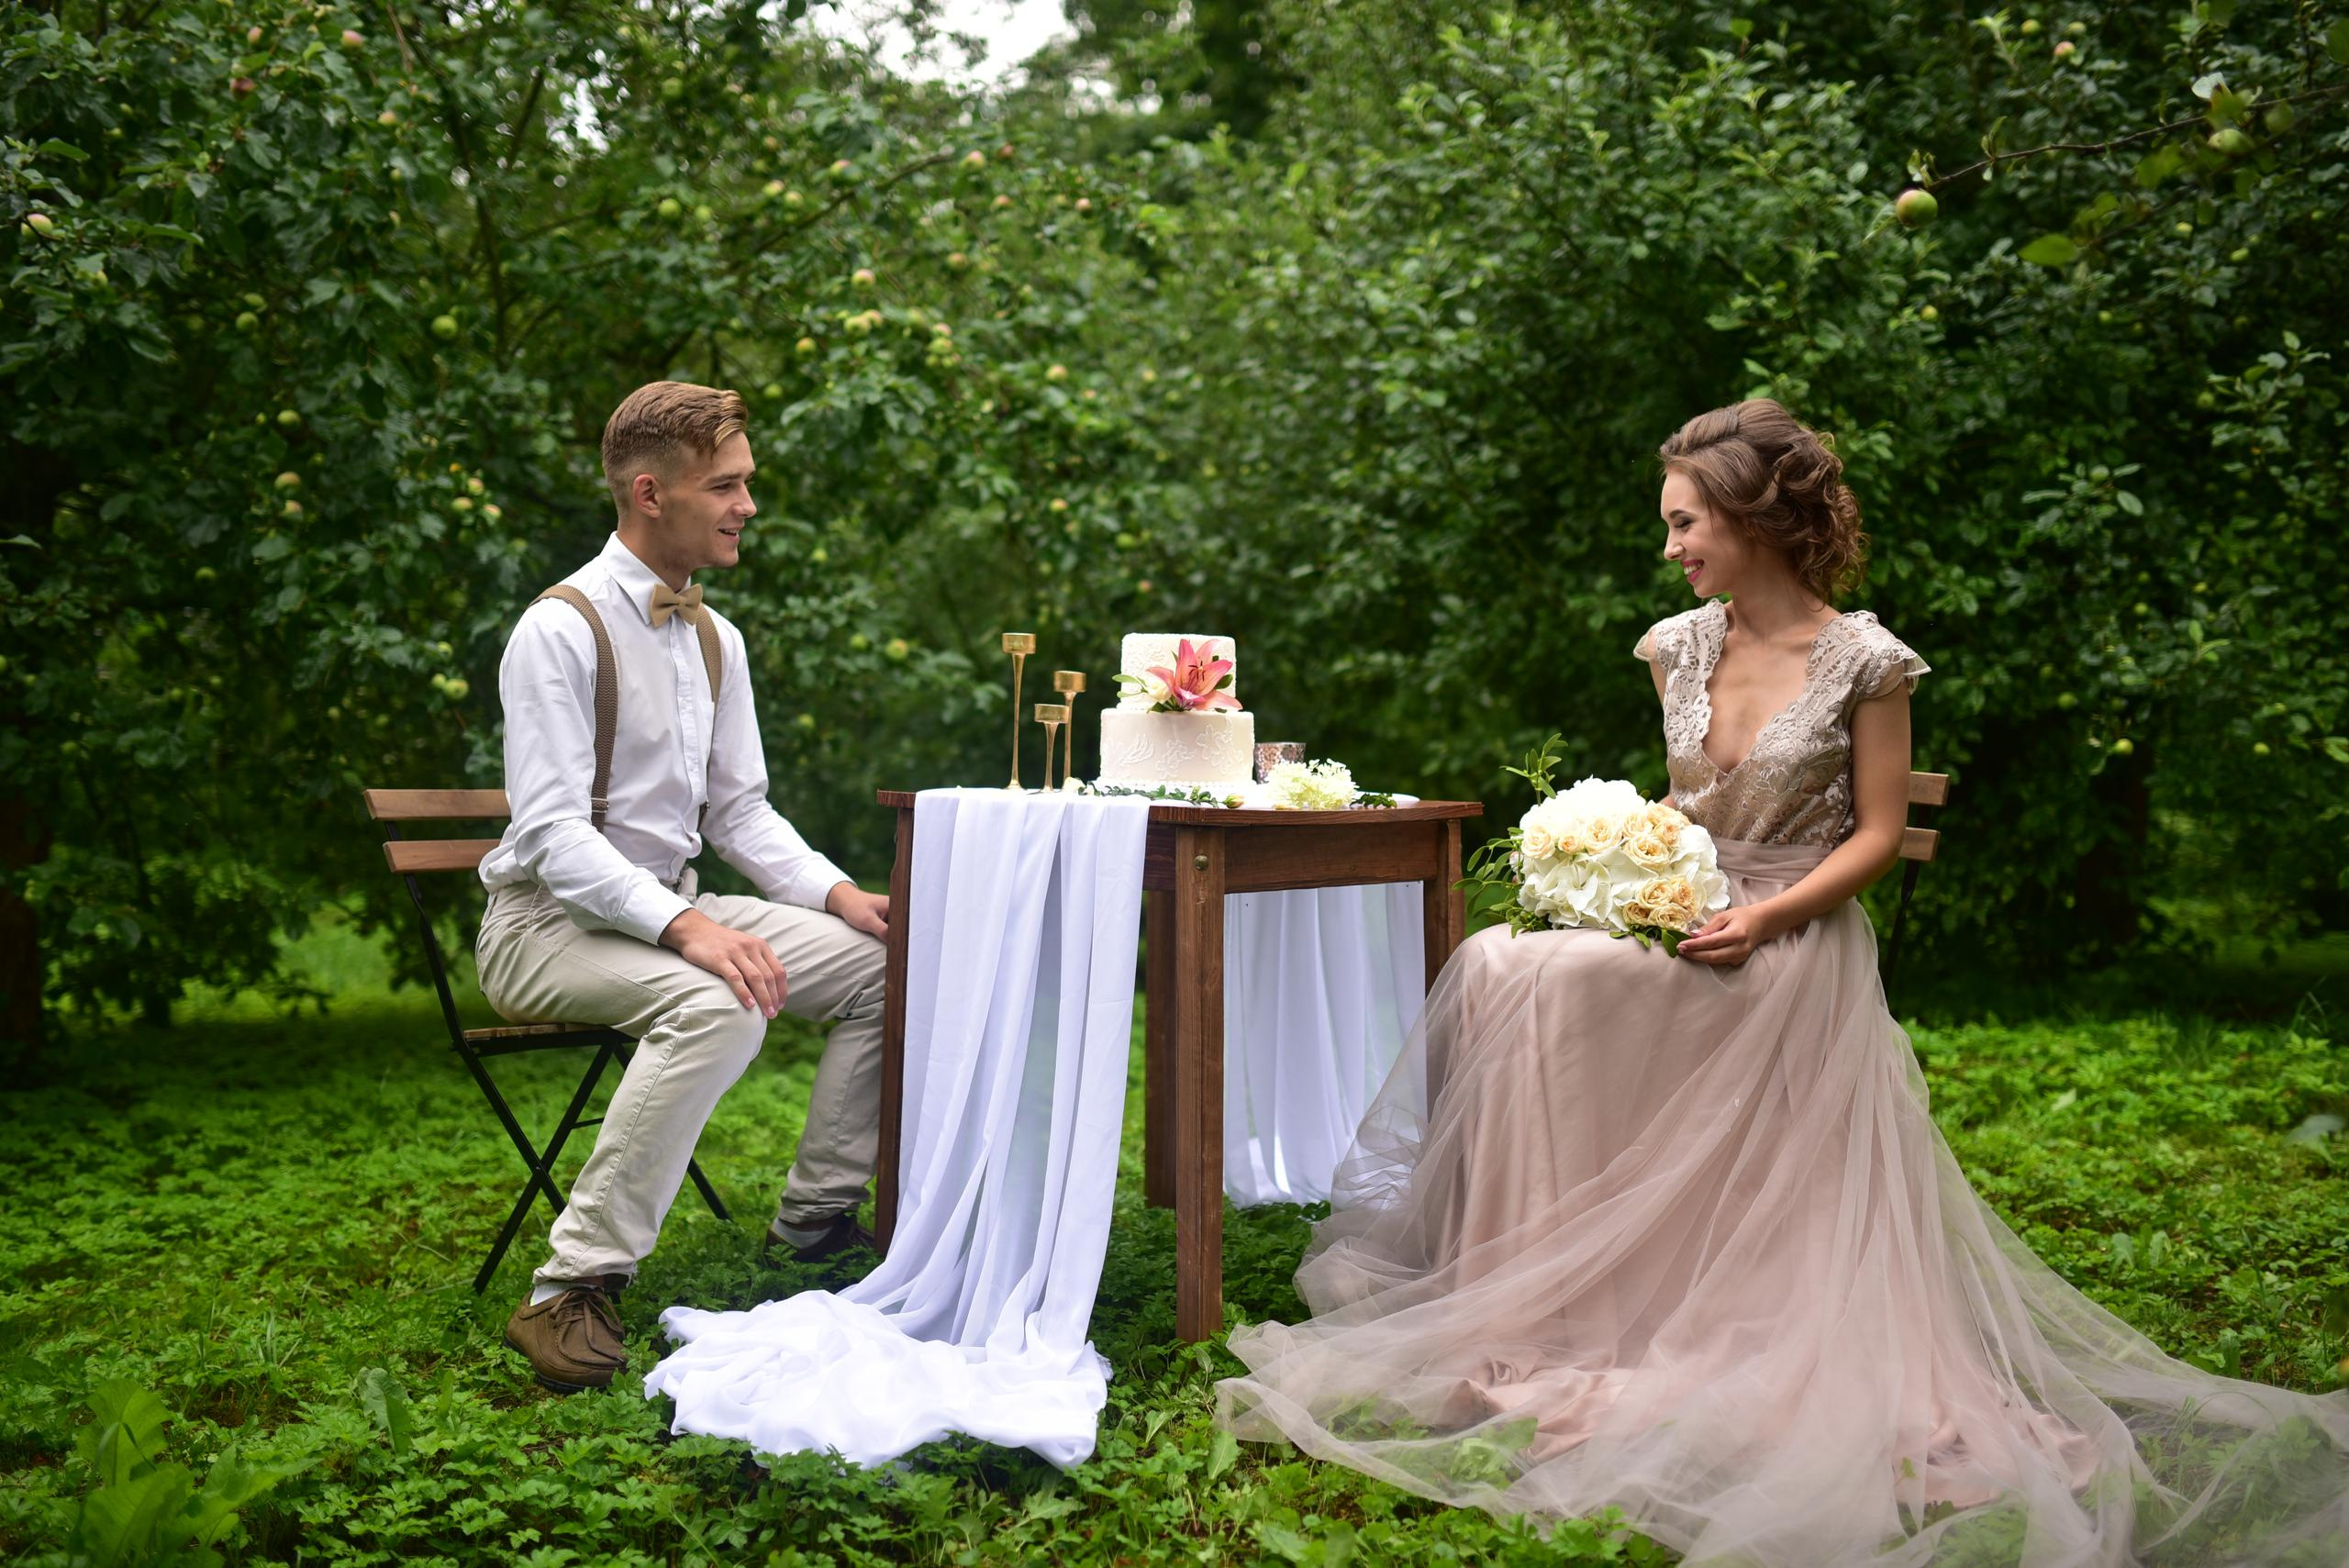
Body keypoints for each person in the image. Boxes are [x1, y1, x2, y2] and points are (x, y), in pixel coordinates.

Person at [1216, 400, 2349, 1565]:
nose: (1670, 547)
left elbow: (1876, 835)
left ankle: (1603, 1299)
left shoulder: (1866, 661)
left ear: (1752, 519)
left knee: (1545, 979)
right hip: (1691, 905)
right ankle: (1532, 1300)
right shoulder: (1675, 645)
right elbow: (1682, 805)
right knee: (1504, 961)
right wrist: (1617, 868)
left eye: (1684, 522)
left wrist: (1764, 914)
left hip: (1792, 931)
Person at [476, 381, 892, 1394]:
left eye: (746, 482)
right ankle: (570, 1286)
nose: (748, 504)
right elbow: (553, 835)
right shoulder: (558, 630)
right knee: (719, 1001)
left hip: (666, 905)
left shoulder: (716, 637)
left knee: (890, 965)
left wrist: (841, 895)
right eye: (727, 486)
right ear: (651, 493)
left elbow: (740, 811)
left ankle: (814, 1224)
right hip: (543, 926)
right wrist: (688, 928)